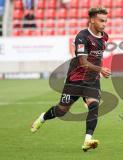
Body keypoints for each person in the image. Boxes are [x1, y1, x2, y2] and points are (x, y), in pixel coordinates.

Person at [30, 7, 111, 152]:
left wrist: (99, 72)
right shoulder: (82, 37)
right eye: (101, 20)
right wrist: (101, 69)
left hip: (92, 80)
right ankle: (43, 117)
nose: (104, 24)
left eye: (106, 21)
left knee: (94, 105)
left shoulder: (105, 37)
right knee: (62, 111)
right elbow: (83, 62)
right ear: (92, 20)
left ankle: (87, 140)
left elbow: (97, 58)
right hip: (75, 78)